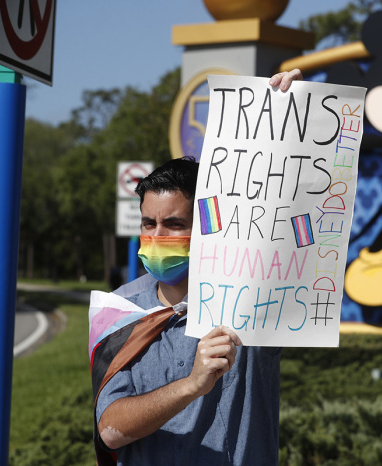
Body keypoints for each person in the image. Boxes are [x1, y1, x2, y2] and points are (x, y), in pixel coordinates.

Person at [92, 69, 302, 465]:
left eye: (174, 224)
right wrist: (192, 385)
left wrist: (284, 114)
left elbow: (285, 208)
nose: (157, 235)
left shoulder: (254, 298)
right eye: (148, 223)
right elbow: (109, 430)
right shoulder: (117, 311)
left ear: (207, 228)